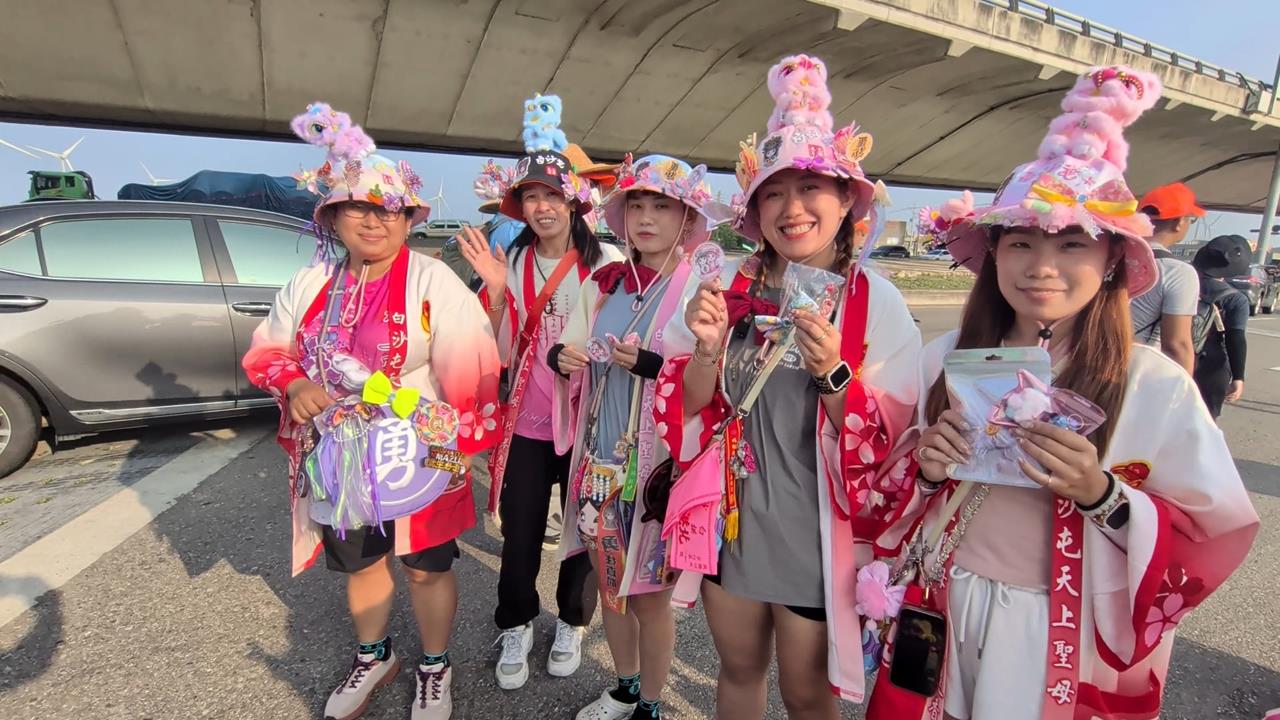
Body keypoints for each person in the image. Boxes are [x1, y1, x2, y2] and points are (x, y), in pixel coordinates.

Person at [866, 66, 1258, 720]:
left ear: (1111, 260)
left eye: (1073, 243)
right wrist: (927, 467)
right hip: (946, 602)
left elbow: (1213, 530)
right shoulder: (945, 357)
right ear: (994, 253)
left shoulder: (1155, 384)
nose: (1042, 267)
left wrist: (1102, 494)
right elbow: (888, 492)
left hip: (1060, 626)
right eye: (1020, 242)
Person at [655, 54, 922, 717]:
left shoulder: (874, 302)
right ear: (754, 209)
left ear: (846, 201)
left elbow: (895, 440)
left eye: (811, 188)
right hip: (733, 519)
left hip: (818, 534)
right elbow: (684, 407)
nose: (792, 208)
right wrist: (706, 351)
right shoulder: (724, 288)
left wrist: (833, 372)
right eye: (774, 193)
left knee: (806, 695)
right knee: (738, 670)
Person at [242, 103, 501, 720]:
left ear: (408, 218)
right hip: (340, 453)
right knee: (360, 561)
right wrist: (295, 382)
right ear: (333, 216)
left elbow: (472, 375)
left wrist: (454, 446)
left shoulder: (435, 283)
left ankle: (434, 665)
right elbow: (268, 351)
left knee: (426, 566)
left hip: (424, 449)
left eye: (389, 209)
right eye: (357, 206)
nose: (373, 219)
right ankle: (375, 655)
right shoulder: (309, 284)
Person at [551, 154, 728, 720]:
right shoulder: (603, 285)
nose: (646, 218)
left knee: (649, 599)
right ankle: (626, 685)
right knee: (610, 586)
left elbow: (714, 384)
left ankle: (651, 702)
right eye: (637, 206)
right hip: (598, 462)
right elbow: (571, 345)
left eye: (662, 207)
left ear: (688, 218)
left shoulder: (700, 289)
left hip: (655, 474)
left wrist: (653, 366)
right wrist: (562, 358)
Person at [458, 93, 624, 692]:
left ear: (574, 200)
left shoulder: (607, 261)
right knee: (521, 528)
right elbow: (494, 346)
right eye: (531, 197)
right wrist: (495, 293)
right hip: (529, 418)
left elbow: (627, 335)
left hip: (589, 422)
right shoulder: (512, 258)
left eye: (553, 195)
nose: (542, 207)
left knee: (583, 528)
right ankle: (516, 622)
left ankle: (573, 621)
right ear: (519, 206)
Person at [1130, 181, 1205, 373]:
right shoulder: (1177, 272)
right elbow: (1176, 345)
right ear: (1179, 222)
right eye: (1191, 220)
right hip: (1135, 372)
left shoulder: (1109, 255)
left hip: (1083, 364)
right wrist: (1183, 387)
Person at [1190, 234, 1251, 418]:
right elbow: (1236, 338)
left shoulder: (1183, 283)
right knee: (1205, 420)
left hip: (1172, 356)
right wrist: (1238, 377)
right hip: (1212, 366)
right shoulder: (1235, 299)